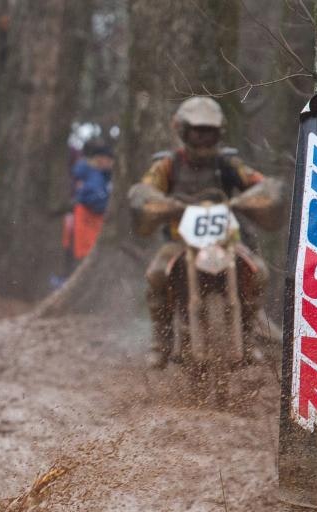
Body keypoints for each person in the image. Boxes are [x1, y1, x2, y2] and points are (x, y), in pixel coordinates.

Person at [128, 96, 284, 369]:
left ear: (219, 133)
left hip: (227, 241)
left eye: (209, 133)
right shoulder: (168, 165)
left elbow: (259, 183)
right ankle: (161, 342)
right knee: (156, 274)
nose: (202, 139)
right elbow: (146, 189)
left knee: (258, 272)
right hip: (180, 241)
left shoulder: (228, 163)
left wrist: (254, 197)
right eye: (197, 132)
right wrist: (161, 203)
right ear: (183, 131)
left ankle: (248, 337)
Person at [63, 138, 114, 272]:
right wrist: (106, 201)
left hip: (94, 224)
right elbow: (92, 198)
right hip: (88, 222)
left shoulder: (102, 176)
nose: (111, 163)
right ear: (99, 159)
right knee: (86, 259)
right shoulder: (91, 175)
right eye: (108, 159)